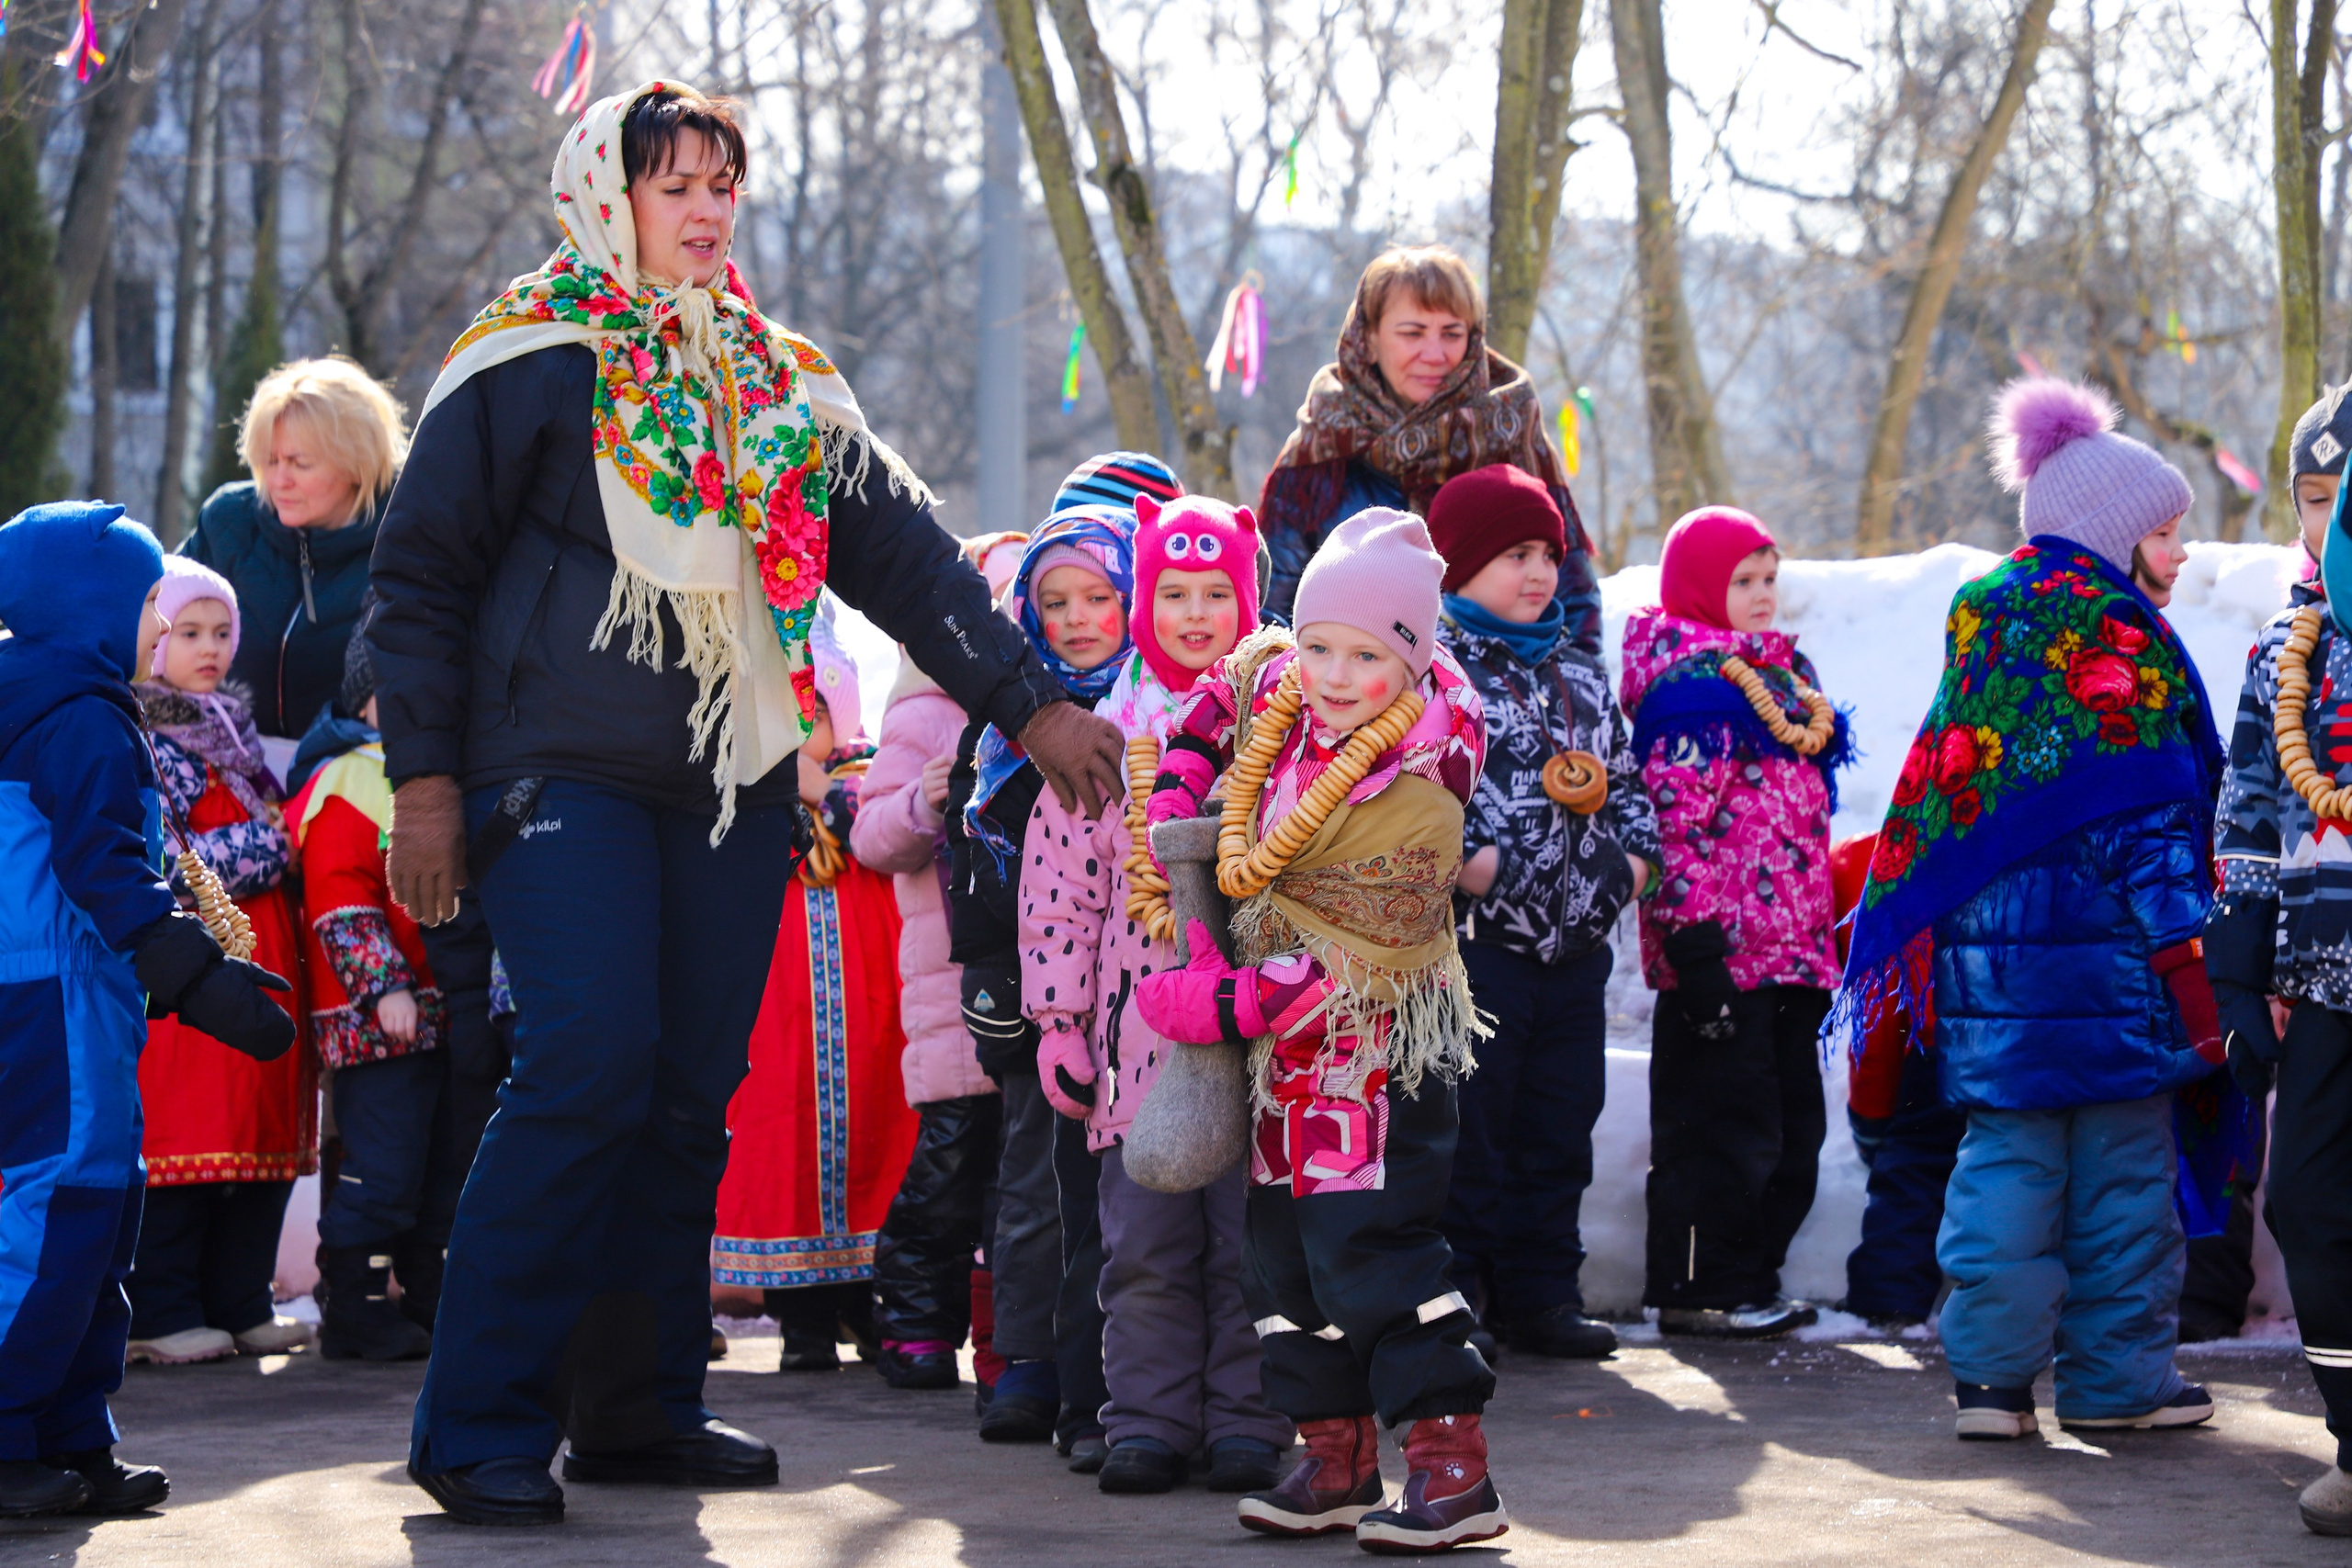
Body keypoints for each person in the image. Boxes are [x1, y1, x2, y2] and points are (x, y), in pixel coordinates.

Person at [368, 81, 1122, 1528]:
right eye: (676, 183)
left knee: (680, 1092)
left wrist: (1031, 698)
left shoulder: (778, 380)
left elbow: (904, 559)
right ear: (609, 197)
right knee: (586, 1062)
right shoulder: (527, 355)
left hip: (732, 778)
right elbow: (420, 579)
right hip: (552, 769)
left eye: (725, 180)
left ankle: (641, 1407)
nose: (707, 208)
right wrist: (425, 783)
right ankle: (474, 1424)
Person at [1838, 377, 2222, 1442]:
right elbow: (2151, 816)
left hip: (1991, 981)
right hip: (2113, 983)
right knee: (2121, 1189)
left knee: (2003, 1166)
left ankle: (1991, 1389)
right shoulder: (2119, 643)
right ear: (2112, 539)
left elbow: (1941, 801)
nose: (2180, 554)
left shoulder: (1987, 632)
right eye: (2165, 532)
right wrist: (2192, 956)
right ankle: (2114, 1384)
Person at [1139, 508, 1504, 1552]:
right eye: (1317, 647)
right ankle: (1330, 1456)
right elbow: (1230, 676)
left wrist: (1218, 1003)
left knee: (1373, 1253)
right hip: (1279, 1071)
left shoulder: (1424, 776)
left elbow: (1359, 947)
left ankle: (1451, 1466)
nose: (1334, 675)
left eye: (1365, 654)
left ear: (1414, 655)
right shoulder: (1284, 690)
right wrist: (1185, 769)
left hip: (1371, 1058)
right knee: (1281, 1263)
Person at [0, 501, 293, 1519]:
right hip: (54, 995)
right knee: (56, 1211)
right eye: (147, 611)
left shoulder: (60, 700)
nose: (163, 633)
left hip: (74, 991)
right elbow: (108, 871)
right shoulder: (75, 716)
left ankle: (72, 1437)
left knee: (99, 1215)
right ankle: (8, 1440)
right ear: (91, 610)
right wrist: (201, 977)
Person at [1022, 494, 1293, 1495]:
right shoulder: (1099, 744)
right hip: (1136, 1050)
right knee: (1142, 1250)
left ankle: (1246, 1421)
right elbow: (1057, 896)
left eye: (1215, 592)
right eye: (1172, 592)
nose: (1192, 612)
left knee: (1246, 1248)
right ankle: (1144, 1421)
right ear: (1144, 605)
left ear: (1247, 602)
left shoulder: (1283, 736)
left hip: (1255, 1041)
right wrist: (1057, 1023)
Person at [944, 459, 1184, 1461]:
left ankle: (1107, 1383)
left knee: (1121, 1202)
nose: (1079, 618)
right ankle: (1027, 1365)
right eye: (1054, 601)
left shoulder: (1156, 705)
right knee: (1033, 1182)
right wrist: (991, 973)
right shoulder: (1011, 718)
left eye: (1101, 596)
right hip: (1033, 993)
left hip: (1136, 998)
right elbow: (975, 854)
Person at [1425, 464, 1658, 1361]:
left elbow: (1627, 788)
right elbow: (1422, 792)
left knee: (1560, 1123)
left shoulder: (1577, 677)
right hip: (1482, 945)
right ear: (1457, 564)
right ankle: (1459, 1295)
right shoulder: (1436, 674)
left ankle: (1541, 1291)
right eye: (1514, 554)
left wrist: (1630, 866)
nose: (1537, 573)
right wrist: (1479, 867)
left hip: (1576, 945)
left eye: (1549, 556)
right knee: (1474, 1127)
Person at [1621, 506, 1849, 1339]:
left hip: (1791, 949)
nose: (1761, 596)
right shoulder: (1691, 691)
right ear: (1697, 587)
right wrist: (1694, 949)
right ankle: (1697, 1285)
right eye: (1740, 582)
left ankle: (1751, 1278)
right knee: (1717, 1128)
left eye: (1767, 579)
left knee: (1788, 1129)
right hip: (1719, 954)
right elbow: (1672, 831)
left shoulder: (1785, 681)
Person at [2208, 381, 2352, 1529]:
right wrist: (2241, 962)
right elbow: (2252, 806)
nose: (2335, 514)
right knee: (2305, 1202)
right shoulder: (2283, 651)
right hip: (2327, 983)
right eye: (2316, 496)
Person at [849, 532, 1028, 1399]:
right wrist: (919, 803)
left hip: (1033, 969)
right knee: (953, 1158)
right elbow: (870, 837)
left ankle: (1005, 1332)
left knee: (1021, 1169)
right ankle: (915, 1317)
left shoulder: (1045, 713)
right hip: (946, 982)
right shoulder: (921, 715)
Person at [124, 558, 316, 1366]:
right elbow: (174, 859)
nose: (209, 647)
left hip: (260, 964)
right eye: (189, 630)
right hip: (196, 979)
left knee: (258, 1138)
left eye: (223, 631)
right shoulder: (149, 739)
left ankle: (239, 1298)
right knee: (190, 1131)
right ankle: (163, 1305)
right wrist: (271, 842)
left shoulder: (233, 741)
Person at [713, 610, 914, 1370]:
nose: (798, 730)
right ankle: (800, 1318)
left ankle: (862, 1302)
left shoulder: (866, 782)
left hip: (869, 1009)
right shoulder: (743, 801)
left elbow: (887, 835)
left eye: (814, 712)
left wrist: (822, 790)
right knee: (783, 1137)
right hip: (780, 1017)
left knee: (874, 1132)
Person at [1254, 244, 1598, 649]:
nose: (1435, 355)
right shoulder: (1322, 444)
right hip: (1347, 697)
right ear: (1369, 338)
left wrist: (1572, 690)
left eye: (1452, 334)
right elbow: (1273, 613)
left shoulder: (1510, 430)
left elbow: (1574, 602)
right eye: (1412, 333)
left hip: (1502, 699)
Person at [284, 641, 448, 1362]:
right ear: (364, 701)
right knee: (378, 1168)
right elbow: (342, 899)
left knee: (432, 1164)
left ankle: (425, 1292)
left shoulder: (430, 771)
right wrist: (382, 987)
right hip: (374, 1023)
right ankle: (352, 1304)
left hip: (436, 1014)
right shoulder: (350, 780)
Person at [181, 357, 408, 741]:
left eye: (300, 464)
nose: (278, 480)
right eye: (270, 461)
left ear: (357, 463)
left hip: (349, 779)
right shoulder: (227, 521)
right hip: (226, 769)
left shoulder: (409, 537)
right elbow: (157, 629)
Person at [1829, 834, 1962, 1332]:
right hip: (2043, 1041)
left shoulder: (1888, 862)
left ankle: (1889, 1297)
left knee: (1914, 1166)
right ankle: (2019, 1311)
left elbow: (1881, 1021)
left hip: (1937, 1035)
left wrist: (1871, 1120)